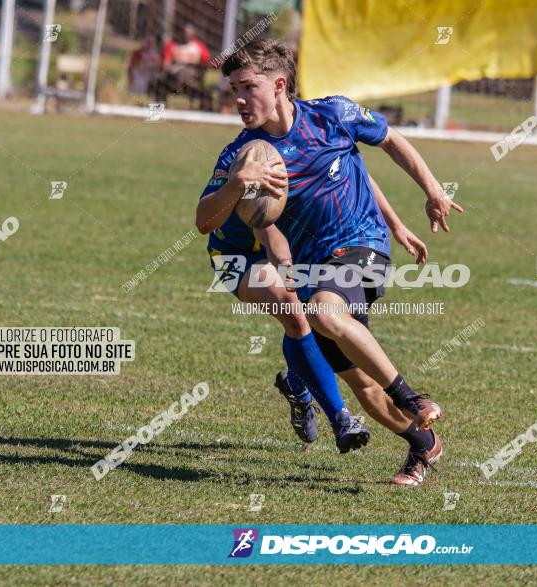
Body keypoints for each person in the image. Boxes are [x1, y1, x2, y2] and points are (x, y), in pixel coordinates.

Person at [198, 38, 463, 485]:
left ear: (279, 85)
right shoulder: (243, 155)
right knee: (363, 390)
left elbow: (389, 141)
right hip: (315, 267)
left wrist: (430, 192)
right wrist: (236, 186)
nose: (238, 99)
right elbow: (205, 221)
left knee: (320, 311)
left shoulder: (332, 115)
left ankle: (412, 396)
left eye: (247, 87)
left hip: (362, 244)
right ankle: (423, 447)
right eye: (232, 91)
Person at [154, 24, 211, 102]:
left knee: (206, 94)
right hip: (174, 77)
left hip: (192, 77)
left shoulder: (199, 46)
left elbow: (206, 63)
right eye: (183, 33)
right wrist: (170, 68)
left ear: (192, 35)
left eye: (187, 33)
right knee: (160, 84)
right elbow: (166, 64)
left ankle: (205, 112)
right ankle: (158, 112)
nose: (185, 35)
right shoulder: (172, 45)